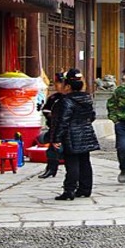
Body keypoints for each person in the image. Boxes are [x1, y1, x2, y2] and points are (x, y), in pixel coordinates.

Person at [51, 69, 100, 200]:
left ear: (67, 86)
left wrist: (56, 138)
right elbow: (92, 116)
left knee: (72, 163)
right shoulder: (87, 99)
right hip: (85, 133)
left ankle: (69, 190)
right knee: (85, 162)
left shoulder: (66, 101)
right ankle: (85, 189)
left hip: (70, 135)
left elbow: (62, 121)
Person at [37, 70, 68, 179]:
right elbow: (46, 109)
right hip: (54, 127)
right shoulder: (54, 98)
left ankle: (72, 173)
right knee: (52, 150)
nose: (56, 86)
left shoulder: (69, 98)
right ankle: (51, 169)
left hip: (67, 129)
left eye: (58, 84)